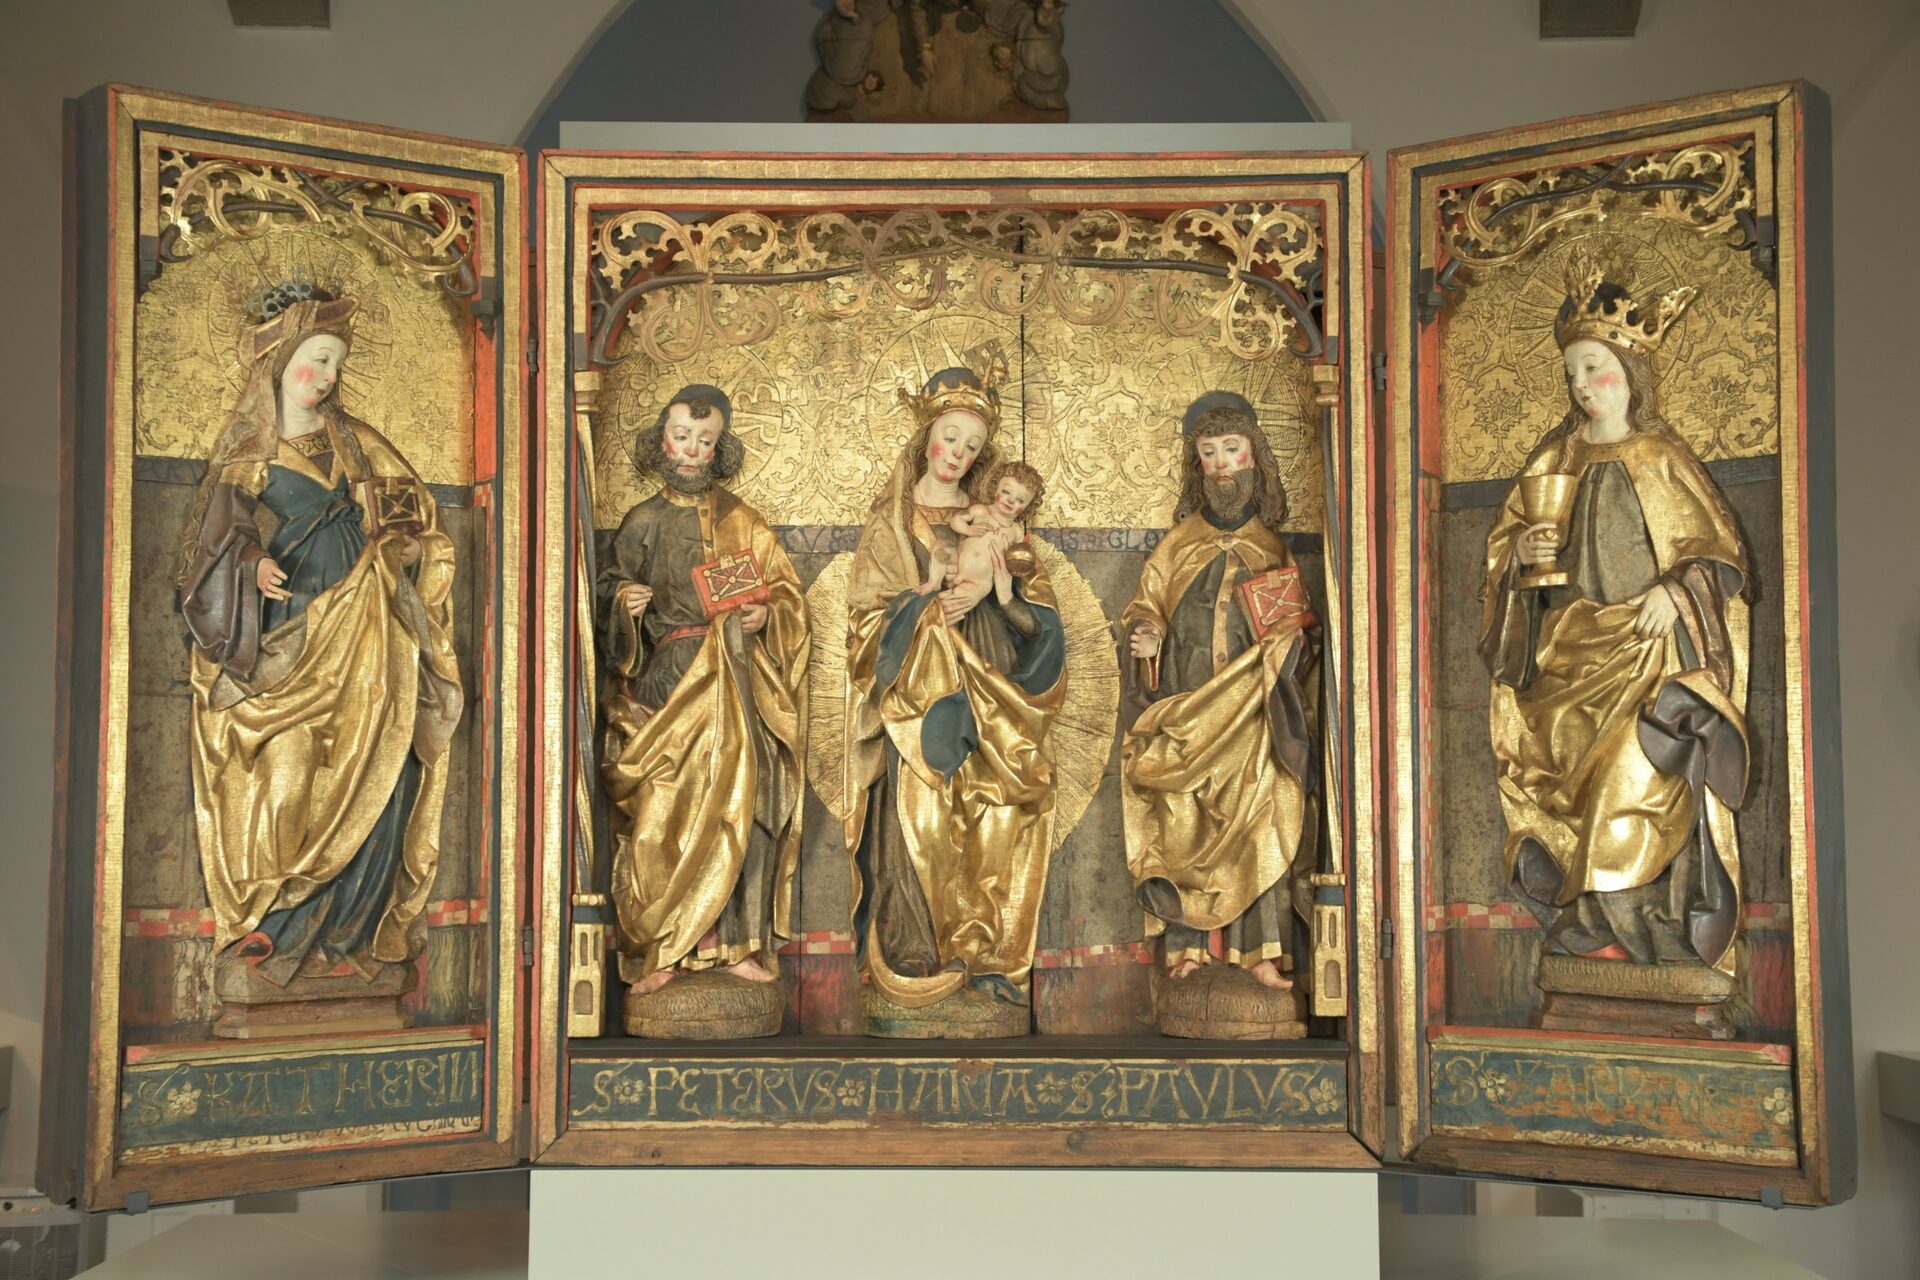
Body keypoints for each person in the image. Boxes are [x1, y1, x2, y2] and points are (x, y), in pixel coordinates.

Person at [178, 282, 461, 1004]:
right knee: (293, 774)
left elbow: (422, 526)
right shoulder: (249, 449)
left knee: (385, 768)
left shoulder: (358, 443)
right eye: (317, 359)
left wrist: (409, 550)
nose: (328, 376)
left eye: (336, 362)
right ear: (278, 363)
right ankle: (276, 927)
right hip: (294, 633)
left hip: (375, 633)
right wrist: (252, 562)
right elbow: (212, 544)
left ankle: (350, 938)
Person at [1480, 249, 1749, 976]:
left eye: (1594, 368)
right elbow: (1505, 555)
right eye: (1572, 373)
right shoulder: (1552, 460)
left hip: (1647, 655)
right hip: (1566, 656)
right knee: (1579, 795)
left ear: (1629, 372)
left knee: (1634, 788)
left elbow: (1718, 555)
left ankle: (1648, 930)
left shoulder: (1662, 456)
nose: (1581, 385)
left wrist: (1675, 590)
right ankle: (1594, 926)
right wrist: (1520, 555)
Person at [843, 365, 1067, 1018]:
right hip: (920, 691)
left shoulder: (997, 522)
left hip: (992, 680)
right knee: (920, 814)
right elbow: (864, 620)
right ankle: (916, 953)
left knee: (993, 811)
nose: (958, 454)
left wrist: (1002, 598)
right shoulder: (890, 524)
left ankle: (983, 955)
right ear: (926, 438)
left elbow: (1039, 615)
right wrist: (928, 612)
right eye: (950, 437)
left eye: (972, 446)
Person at [596, 385, 808, 1005]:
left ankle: (736, 947)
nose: (691, 450)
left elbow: (787, 595)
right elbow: (605, 594)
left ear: (721, 448)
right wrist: (624, 603)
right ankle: (660, 949)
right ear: (662, 441)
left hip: (734, 678)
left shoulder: (743, 520)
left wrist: (767, 616)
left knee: (737, 806)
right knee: (662, 808)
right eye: (682, 437)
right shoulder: (642, 520)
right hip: (668, 679)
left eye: (705, 440)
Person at [1120, 391, 1318, 993]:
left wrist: (1292, 640)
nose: (1222, 465)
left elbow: (1299, 638)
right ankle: (1187, 953)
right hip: (1187, 711)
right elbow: (1145, 606)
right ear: (1197, 464)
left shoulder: (1273, 549)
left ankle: (1263, 954)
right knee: (1183, 826)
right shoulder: (1177, 545)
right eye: (1209, 454)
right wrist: (1146, 635)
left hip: (1253, 716)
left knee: (1260, 825)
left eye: (1232, 450)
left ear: (1255, 457)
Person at [921, 459, 1043, 598]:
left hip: (979, 582)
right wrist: (968, 530)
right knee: (943, 547)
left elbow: (1018, 558)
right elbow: (955, 521)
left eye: (1020, 500)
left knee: (957, 600)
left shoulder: (1016, 531)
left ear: (1027, 507)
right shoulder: (980, 510)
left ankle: (955, 597)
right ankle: (934, 582)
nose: (1010, 500)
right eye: (1006, 491)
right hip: (956, 562)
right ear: (995, 488)